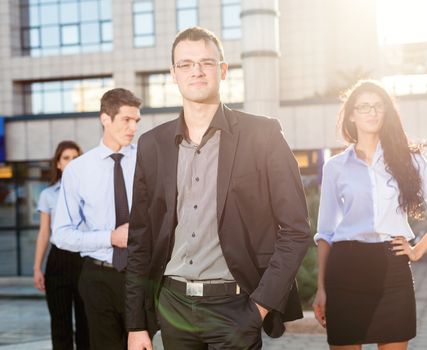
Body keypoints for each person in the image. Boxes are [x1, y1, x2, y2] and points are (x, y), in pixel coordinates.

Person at [126, 26, 311, 350]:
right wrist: (136, 324)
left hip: (237, 308)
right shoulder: (152, 145)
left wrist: (259, 308)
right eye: (185, 64)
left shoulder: (262, 135)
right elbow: (140, 239)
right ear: (173, 74)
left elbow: (296, 230)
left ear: (223, 70)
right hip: (173, 307)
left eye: (206, 62)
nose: (195, 71)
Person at [312, 80, 427, 349]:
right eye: (364, 106)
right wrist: (321, 288)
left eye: (379, 106)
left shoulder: (408, 160)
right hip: (346, 270)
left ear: (387, 112)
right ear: (352, 115)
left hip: (393, 269)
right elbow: (326, 233)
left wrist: (417, 249)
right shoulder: (335, 167)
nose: (372, 112)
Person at [52, 88, 141, 349]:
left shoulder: (147, 160)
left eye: (136, 120)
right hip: (98, 276)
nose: (133, 127)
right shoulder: (79, 170)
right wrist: (110, 237)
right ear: (105, 119)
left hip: (141, 275)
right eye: (126, 120)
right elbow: (61, 234)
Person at [33, 140, 89, 350]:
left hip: (84, 258)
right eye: (66, 158)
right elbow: (44, 233)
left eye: (75, 158)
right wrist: (37, 267)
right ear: (58, 163)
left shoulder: (90, 191)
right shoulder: (48, 195)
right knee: (60, 323)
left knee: (86, 323)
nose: (71, 162)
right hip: (57, 260)